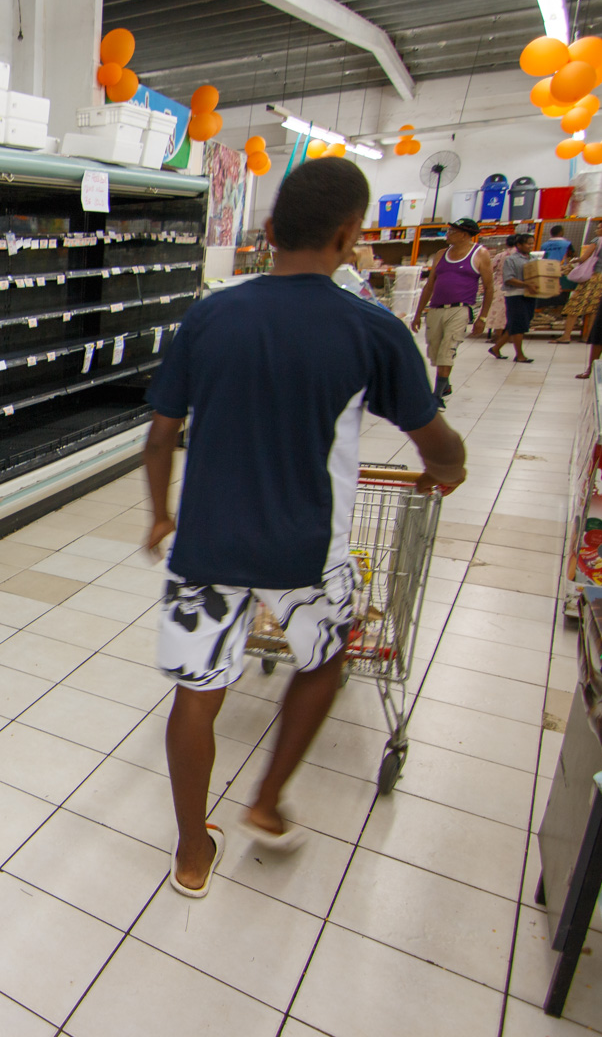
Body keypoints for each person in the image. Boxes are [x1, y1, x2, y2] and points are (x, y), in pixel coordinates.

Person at [143, 158, 467, 899]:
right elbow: (436, 444)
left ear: (269, 231)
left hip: (208, 543)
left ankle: (193, 852)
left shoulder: (208, 315)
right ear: (351, 235)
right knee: (324, 659)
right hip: (308, 548)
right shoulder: (372, 329)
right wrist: (452, 470)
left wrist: (160, 512)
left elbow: (161, 436)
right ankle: (265, 797)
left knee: (197, 695)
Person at [410, 218, 495, 405]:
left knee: (447, 350)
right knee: (434, 352)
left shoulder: (480, 254)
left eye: (452, 232)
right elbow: (429, 285)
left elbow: (489, 287)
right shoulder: (441, 254)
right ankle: (445, 384)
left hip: (460, 309)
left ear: (465, 235)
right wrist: (418, 314)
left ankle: (437, 396)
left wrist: (483, 317)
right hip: (435, 309)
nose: (447, 234)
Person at [492, 233, 536, 363]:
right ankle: (519, 355)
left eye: (532, 243)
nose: (530, 246)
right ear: (518, 245)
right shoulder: (511, 260)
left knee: (516, 324)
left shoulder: (533, 259)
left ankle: (496, 348)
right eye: (528, 243)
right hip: (515, 295)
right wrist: (526, 284)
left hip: (530, 294)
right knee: (518, 325)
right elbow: (509, 279)